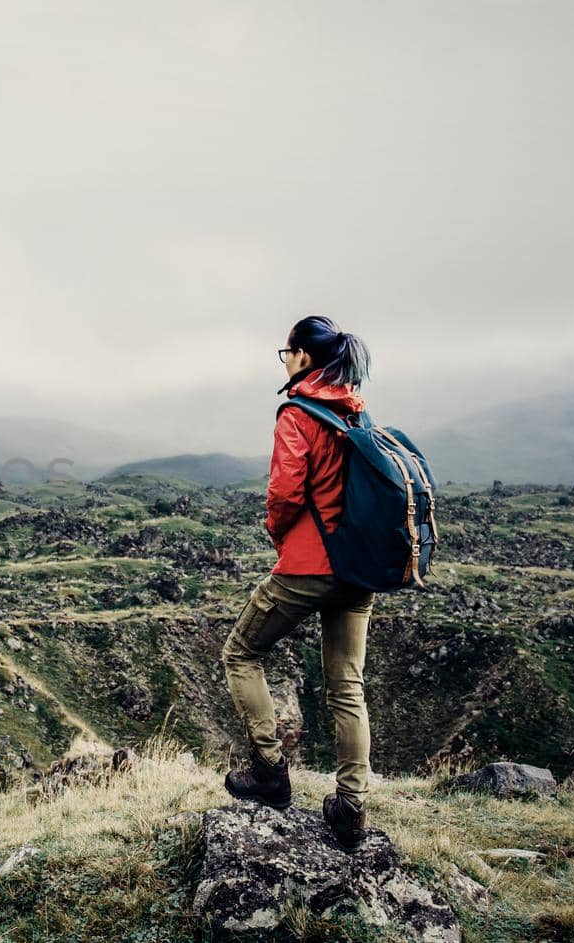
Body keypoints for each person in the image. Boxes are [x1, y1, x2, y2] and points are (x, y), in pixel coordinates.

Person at [221, 315, 375, 850]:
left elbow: (285, 493)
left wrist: (280, 536)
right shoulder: (354, 410)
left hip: (310, 564)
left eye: (286, 352)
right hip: (359, 570)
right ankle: (352, 807)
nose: (284, 360)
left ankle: (268, 771)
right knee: (347, 686)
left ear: (304, 357)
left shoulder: (298, 412)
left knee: (240, 652)